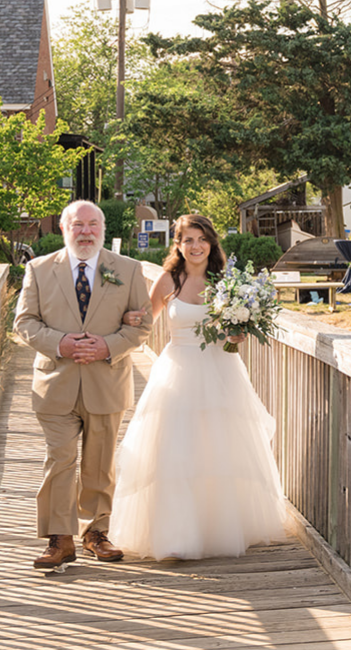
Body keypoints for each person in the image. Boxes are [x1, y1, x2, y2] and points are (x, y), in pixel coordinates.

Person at [111, 214, 285, 560]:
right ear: (177, 245)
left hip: (221, 371)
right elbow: (144, 322)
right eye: (188, 239)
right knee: (176, 452)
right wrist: (122, 326)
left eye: (202, 238)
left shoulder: (226, 281)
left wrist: (239, 332)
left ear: (212, 243)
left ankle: (217, 528)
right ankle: (177, 535)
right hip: (177, 371)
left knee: (218, 448)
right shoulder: (167, 281)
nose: (196, 246)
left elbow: (237, 328)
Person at [15, 200, 151, 569]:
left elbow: (141, 324)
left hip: (106, 381)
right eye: (78, 225)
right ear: (64, 228)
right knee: (60, 459)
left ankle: (96, 532)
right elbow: (24, 322)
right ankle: (59, 539)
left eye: (93, 224)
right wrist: (59, 343)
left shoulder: (128, 269)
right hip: (55, 383)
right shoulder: (39, 270)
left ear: (102, 228)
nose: (86, 231)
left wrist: (109, 345)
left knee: (99, 463)